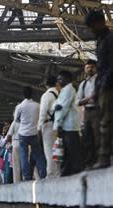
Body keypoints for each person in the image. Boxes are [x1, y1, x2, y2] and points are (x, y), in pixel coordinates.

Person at [85, 10, 113, 169]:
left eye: (91, 26)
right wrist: (97, 88)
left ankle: (104, 158)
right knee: (104, 122)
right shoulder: (100, 40)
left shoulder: (110, 39)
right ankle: (102, 157)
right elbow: (101, 68)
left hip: (109, 87)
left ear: (99, 22)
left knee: (105, 123)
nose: (91, 30)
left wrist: (103, 84)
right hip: (103, 86)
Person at [53, 71, 82, 176]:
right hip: (67, 125)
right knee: (69, 150)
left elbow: (62, 108)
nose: (59, 81)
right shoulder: (65, 90)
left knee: (72, 150)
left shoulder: (68, 90)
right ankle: (68, 172)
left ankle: (72, 172)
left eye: (61, 79)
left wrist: (58, 124)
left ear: (67, 79)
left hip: (68, 126)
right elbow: (55, 106)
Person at [14, 86, 46, 181]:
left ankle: (27, 176)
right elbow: (41, 117)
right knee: (38, 155)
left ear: (23, 95)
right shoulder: (37, 105)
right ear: (32, 94)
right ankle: (43, 174)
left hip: (23, 134)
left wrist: (23, 120)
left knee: (23, 155)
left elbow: (16, 119)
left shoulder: (19, 106)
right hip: (34, 133)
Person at [76, 59, 99, 168]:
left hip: (98, 111)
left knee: (98, 135)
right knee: (87, 137)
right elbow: (78, 101)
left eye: (91, 67)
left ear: (95, 68)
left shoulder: (99, 80)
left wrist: (87, 99)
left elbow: (99, 96)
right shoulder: (83, 84)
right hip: (87, 112)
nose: (89, 69)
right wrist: (89, 98)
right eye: (87, 67)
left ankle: (100, 160)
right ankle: (90, 162)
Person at [38, 75, 60, 177]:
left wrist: (39, 128)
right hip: (58, 125)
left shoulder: (46, 95)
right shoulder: (59, 94)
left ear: (46, 85)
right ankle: (58, 173)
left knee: (49, 151)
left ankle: (51, 174)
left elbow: (43, 112)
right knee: (58, 150)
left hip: (48, 126)